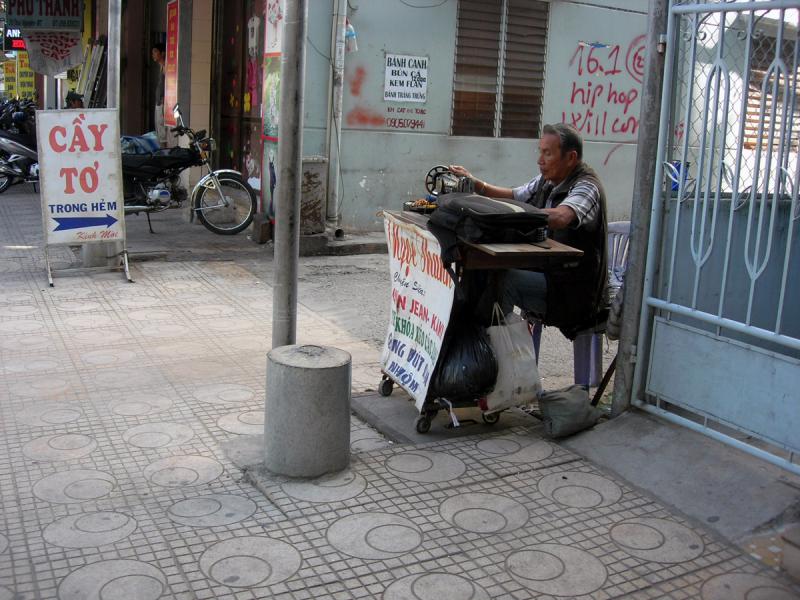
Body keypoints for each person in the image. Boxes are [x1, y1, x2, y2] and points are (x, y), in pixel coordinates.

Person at [450, 123, 608, 337]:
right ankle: (473, 345)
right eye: (540, 152)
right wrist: (476, 184)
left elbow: (562, 217)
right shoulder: (547, 180)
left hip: (574, 291)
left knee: (503, 283)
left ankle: (489, 353)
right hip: (548, 275)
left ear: (570, 158)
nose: (540, 160)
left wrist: (518, 217)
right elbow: (515, 196)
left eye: (548, 153)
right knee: (481, 273)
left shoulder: (587, 186)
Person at [151, 42, 167, 147]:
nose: (153, 54)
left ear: (163, 53)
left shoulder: (166, 67)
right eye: (153, 52)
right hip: (158, 102)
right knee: (159, 129)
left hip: (162, 102)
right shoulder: (161, 67)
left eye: (156, 52)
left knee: (162, 130)